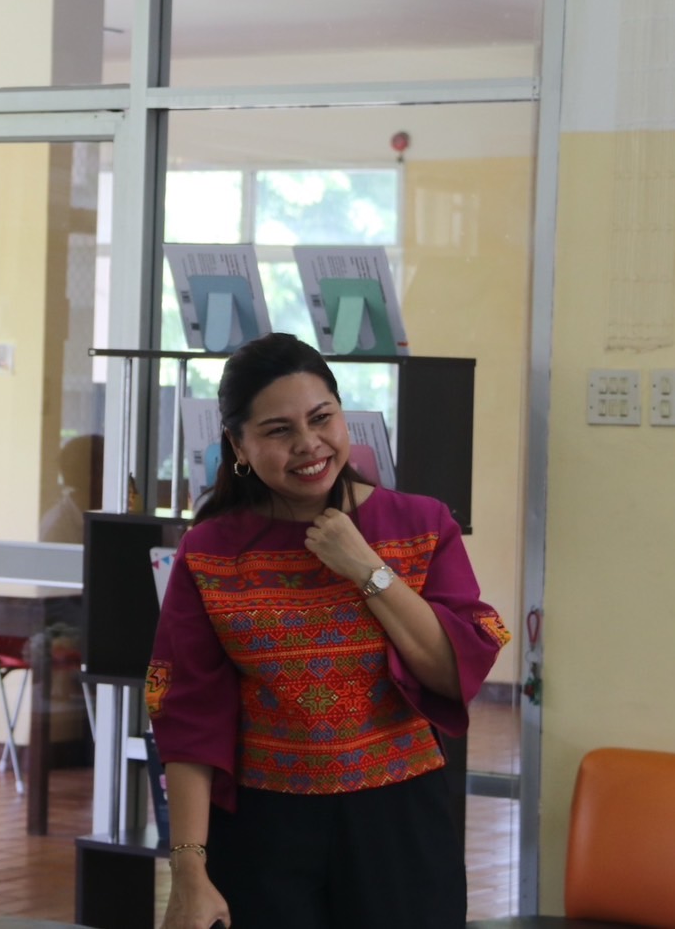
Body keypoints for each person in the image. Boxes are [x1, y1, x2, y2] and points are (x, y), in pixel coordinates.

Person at [147, 333, 511, 929]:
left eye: (322, 418)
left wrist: (367, 567)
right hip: (263, 829)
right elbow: (188, 715)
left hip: (400, 825)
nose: (308, 444)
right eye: (278, 430)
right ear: (238, 445)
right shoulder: (209, 551)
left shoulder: (420, 524)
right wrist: (189, 870)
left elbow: (453, 674)